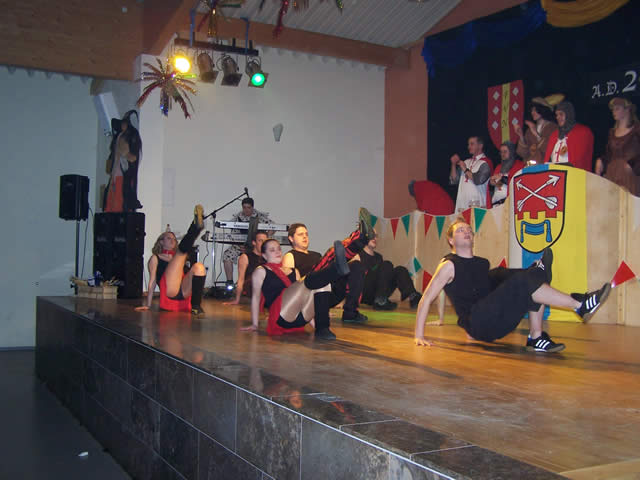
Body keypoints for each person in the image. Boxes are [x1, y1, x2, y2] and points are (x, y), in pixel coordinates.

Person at [414, 218, 611, 352]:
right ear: (450, 240)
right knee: (520, 280)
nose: (466, 232)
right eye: (460, 230)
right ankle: (580, 305)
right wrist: (419, 335)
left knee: (530, 275)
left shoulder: (482, 264)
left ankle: (536, 337)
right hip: (479, 323)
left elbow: (482, 291)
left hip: (494, 317)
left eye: (469, 230)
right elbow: (427, 297)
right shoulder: (449, 265)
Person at [241, 238, 351, 340]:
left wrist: (314, 323)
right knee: (308, 281)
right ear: (264, 255)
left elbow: (303, 298)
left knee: (322, 285)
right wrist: (255, 324)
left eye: (279, 249)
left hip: (300, 318)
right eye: (272, 250)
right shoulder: (261, 271)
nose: (277, 252)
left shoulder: (294, 271)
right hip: (281, 316)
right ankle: (337, 269)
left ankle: (322, 329)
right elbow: (256, 298)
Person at [282, 216, 371, 324]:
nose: (305, 236)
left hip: (328, 293)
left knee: (357, 266)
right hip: (308, 295)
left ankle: (350, 312)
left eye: (306, 234)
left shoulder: (316, 255)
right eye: (300, 234)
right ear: (291, 238)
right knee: (332, 254)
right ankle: (358, 237)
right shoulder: (290, 256)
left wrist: (342, 302)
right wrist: (313, 311)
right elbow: (291, 288)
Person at [136, 205, 207, 317]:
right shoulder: (156, 258)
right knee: (181, 253)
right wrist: (148, 305)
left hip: (184, 291)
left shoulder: (177, 257)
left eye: (174, 239)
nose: (172, 240)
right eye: (168, 238)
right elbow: (152, 281)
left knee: (199, 267)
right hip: (170, 291)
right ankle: (195, 227)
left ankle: (196, 306)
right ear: (161, 242)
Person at [354, 232, 422, 310]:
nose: (374, 238)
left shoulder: (378, 257)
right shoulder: (357, 256)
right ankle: (380, 301)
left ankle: (413, 296)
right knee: (387, 264)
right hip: (364, 293)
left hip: (376, 293)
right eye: (371, 235)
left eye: (376, 236)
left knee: (400, 270)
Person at [594, 97, 640, 196]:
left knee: (629, 203)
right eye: (613, 109)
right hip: (613, 176)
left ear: (627, 109)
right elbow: (608, 155)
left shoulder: (637, 130)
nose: (613, 112)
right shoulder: (612, 132)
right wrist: (601, 161)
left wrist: (631, 165)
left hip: (631, 178)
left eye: (617, 108)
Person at [222, 197, 273, 285]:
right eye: (244, 208)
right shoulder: (238, 217)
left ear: (252, 207)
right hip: (241, 245)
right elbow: (234, 234)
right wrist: (239, 245)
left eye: (248, 208)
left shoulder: (259, 216)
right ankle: (229, 282)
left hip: (255, 246)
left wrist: (264, 239)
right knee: (227, 255)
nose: (246, 210)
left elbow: (273, 227)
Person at [104, 110, 143, 212]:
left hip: (122, 178)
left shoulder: (131, 136)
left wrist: (124, 153)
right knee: (111, 209)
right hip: (115, 178)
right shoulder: (120, 136)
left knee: (119, 209)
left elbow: (133, 158)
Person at [544, 101, 594, 171]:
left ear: (568, 114)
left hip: (572, 173)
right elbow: (548, 159)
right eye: (557, 115)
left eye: (561, 114)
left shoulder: (582, 132)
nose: (558, 117)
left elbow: (580, 161)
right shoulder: (554, 135)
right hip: (553, 173)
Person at [449, 136, 494, 212]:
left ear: (480, 145)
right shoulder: (466, 161)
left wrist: (465, 169)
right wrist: (453, 164)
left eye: (472, 144)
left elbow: (479, 180)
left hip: (478, 204)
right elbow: (454, 180)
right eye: (468, 144)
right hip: (462, 205)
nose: (469, 147)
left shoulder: (486, 162)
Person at [226, 231, 268, 305]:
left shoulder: (268, 257)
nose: (263, 243)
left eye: (265, 241)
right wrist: (237, 300)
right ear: (254, 242)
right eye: (260, 240)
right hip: (251, 289)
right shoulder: (245, 257)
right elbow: (241, 279)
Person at [515, 97, 558, 165]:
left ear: (542, 110)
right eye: (532, 110)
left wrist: (536, 134)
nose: (532, 113)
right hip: (530, 167)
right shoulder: (529, 131)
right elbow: (523, 154)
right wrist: (521, 136)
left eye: (535, 110)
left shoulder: (553, 128)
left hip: (546, 167)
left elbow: (551, 149)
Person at [489, 141, 525, 206]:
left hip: (509, 204)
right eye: (501, 152)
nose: (502, 154)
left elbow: (518, 182)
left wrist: (502, 179)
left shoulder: (519, 166)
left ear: (511, 152)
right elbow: (493, 186)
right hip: (496, 204)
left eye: (505, 152)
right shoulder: (498, 167)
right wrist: (491, 183)